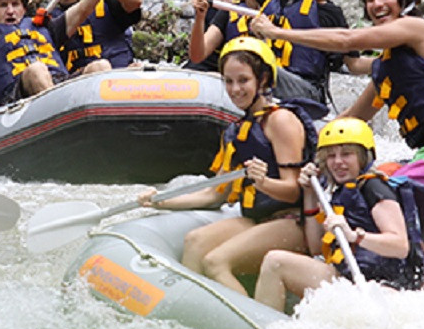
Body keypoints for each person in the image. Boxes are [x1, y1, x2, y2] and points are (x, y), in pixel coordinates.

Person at [252, 0, 424, 213]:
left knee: (370, 196)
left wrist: (277, 33)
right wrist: (297, 149)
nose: (377, 4)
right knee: (352, 187)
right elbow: (351, 118)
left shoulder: (418, 29)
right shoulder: (389, 69)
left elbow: (346, 39)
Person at [138, 37, 325, 295]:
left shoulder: (281, 121)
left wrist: (264, 183)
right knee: (194, 242)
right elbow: (215, 194)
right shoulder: (237, 130)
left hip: (293, 223)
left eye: (243, 80)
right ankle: (187, 312)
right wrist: (160, 201)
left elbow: (294, 190)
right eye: (228, 81)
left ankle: (249, 325)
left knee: (215, 262)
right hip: (259, 220)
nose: (235, 89)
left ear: (263, 80)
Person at [255, 118, 424, 311]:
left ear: (362, 157)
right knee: (275, 262)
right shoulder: (339, 193)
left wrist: (355, 236)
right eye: (331, 156)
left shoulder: (375, 188)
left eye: (346, 154)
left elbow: (400, 246)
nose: (338, 162)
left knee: (275, 261)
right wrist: (310, 194)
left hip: (383, 288)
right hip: (347, 280)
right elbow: (316, 249)